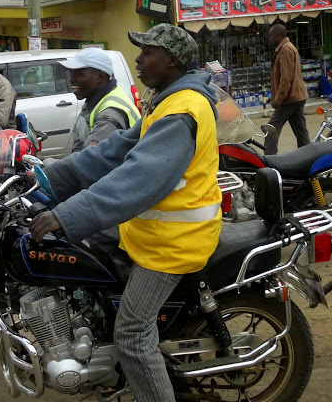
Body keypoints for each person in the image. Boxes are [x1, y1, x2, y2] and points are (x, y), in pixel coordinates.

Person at [30, 24, 221, 402]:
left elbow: (137, 177)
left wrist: (65, 215)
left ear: (172, 60)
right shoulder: (165, 100)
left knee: (132, 333)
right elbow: (113, 151)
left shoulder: (182, 111)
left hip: (174, 245)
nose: (138, 58)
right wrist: (46, 180)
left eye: (148, 52)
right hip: (150, 235)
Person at [59, 47, 140, 152]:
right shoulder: (95, 100)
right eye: (72, 74)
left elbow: (91, 159)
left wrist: (53, 166)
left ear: (100, 76)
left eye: (79, 74)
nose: (71, 80)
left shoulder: (110, 112)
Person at [265, 23, 309, 155]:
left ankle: (269, 159)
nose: (270, 38)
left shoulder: (285, 50)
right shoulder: (285, 48)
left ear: (278, 35)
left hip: (289, 98)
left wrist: (277, 100)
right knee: (300, 130)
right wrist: (273, 97)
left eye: (271, 35)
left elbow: (286, 79)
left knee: (271, 128)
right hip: (296, 96)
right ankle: (307, 155)